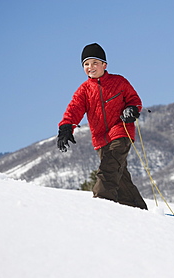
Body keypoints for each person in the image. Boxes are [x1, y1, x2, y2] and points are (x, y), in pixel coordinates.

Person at [57, 43, 148, 210]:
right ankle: (137, 208)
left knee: (109, 168)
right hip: (100, 138)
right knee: (120, 176)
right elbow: (74, 109)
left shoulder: (118, 82)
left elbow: (134, 100)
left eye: (94, 63)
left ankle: (102, 203)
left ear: (104, 65)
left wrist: (132, 109)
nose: (90, 67)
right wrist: (66, 127)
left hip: (121, 130)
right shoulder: (84, 90)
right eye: (86, 64)